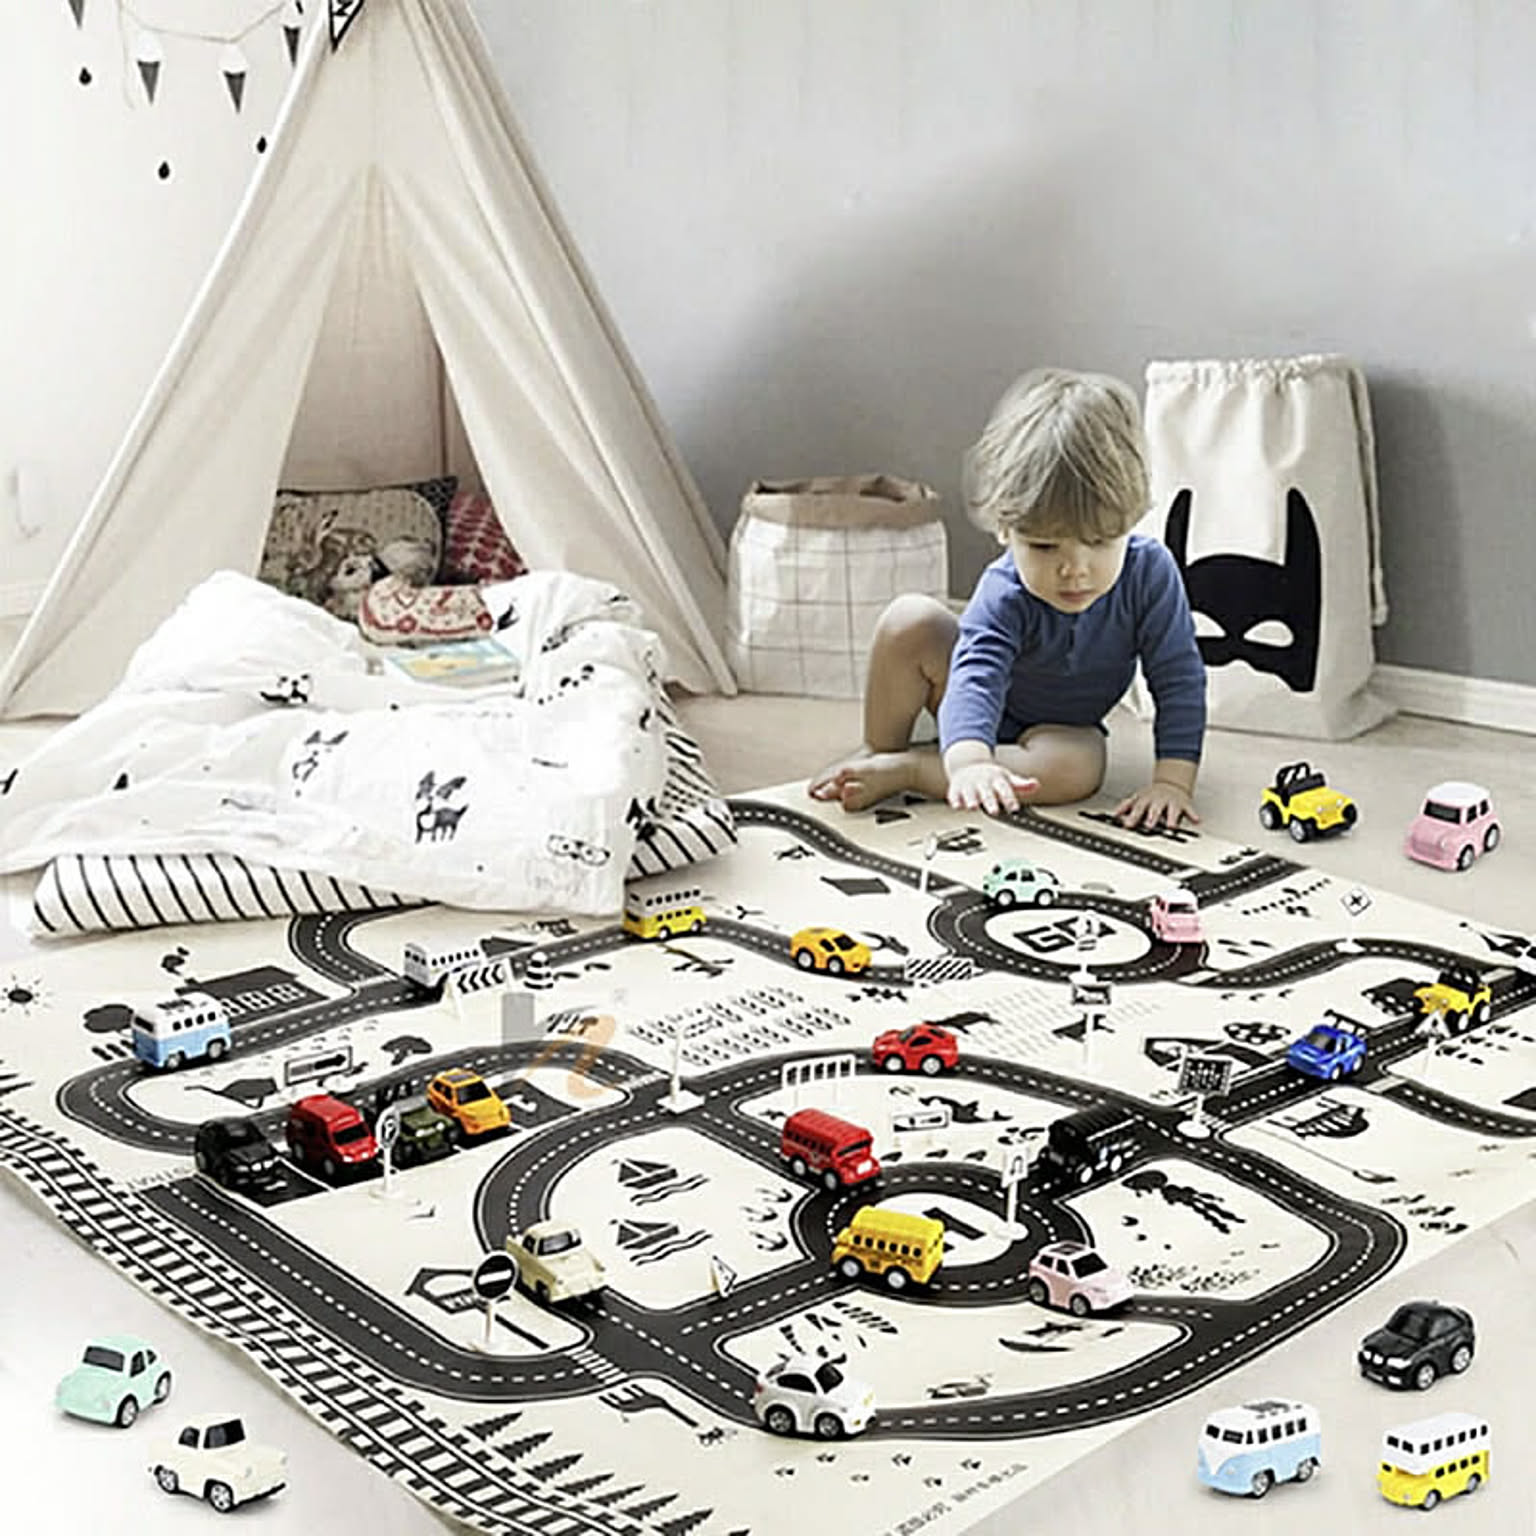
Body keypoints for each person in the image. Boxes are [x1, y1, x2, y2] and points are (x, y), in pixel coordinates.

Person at [808, 367, 1206, 829]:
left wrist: (1172, 783)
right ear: (1005, 530)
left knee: (1077, 770)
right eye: (1045, 546)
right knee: (908, 620)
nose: (1075, 569)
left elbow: (1179, 679)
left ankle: (911, 769)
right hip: (971, 702)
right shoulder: (1004, 589)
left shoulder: (1151, 573)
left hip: (1062, 729)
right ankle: (882, 750)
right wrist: (970, 761)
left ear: (1131, 522)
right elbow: (975, 676)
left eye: (1099, 541)